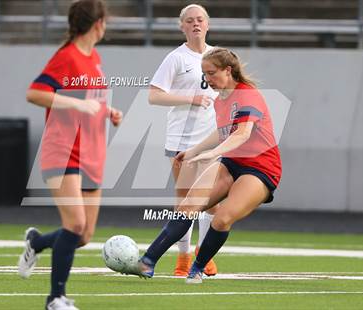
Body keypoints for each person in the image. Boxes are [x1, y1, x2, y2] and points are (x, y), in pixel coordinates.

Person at [131, 47, 282, 284]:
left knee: (222, 218)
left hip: (261, 168)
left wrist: (212, 154)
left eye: (211, 73)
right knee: (188, 205)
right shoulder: (220, 98)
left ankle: (197, 268)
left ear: (228, 70)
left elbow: (242, 134)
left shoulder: (247, 95)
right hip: (233, 161)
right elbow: (221, 132)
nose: (207, 79)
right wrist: (193, 151)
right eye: (204, 74)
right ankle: (146, 262)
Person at [17, 1, 122, 309]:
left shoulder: (95, 58)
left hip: (92, 153)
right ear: (98, 23)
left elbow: (91, 101)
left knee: (84, 234)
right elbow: (34, 93)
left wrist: (108, 112)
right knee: (74, 224)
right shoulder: (67, 57)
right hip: (62, 151)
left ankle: (36, 242)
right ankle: (55, 299)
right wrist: (75, 105)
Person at [148, 3, 218, 277]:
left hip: (212, 142)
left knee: (213, 202)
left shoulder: (217, 56)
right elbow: (154, 95)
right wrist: (191, 98)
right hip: (182, 142)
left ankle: (204, 255)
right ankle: (183, 260)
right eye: (190, 21)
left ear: (208, 24)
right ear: (182, 26)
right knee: (186, 203)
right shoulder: (176, 58)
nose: (196, 24)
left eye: (200, 20)